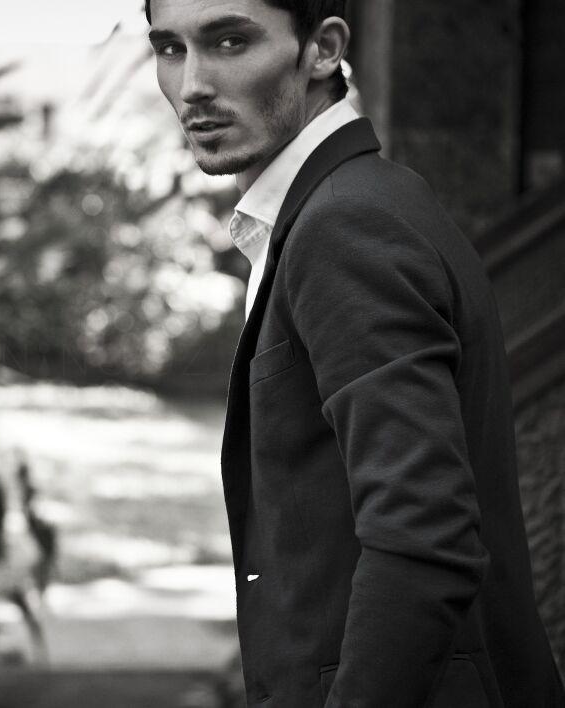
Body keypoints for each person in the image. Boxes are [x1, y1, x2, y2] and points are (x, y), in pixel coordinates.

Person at [146, 0, 565, 705]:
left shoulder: (345, 223)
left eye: (230, 41)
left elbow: (423, 534)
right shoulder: (346, 205)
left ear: (323, 48)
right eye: (170, 49)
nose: (192, 85)